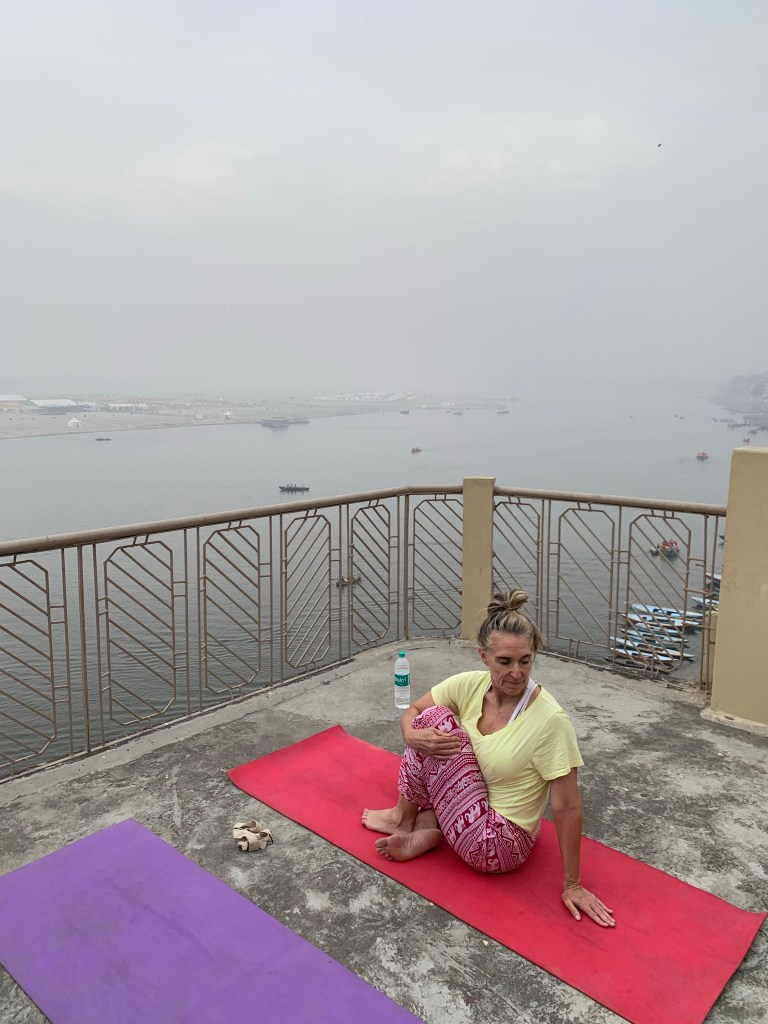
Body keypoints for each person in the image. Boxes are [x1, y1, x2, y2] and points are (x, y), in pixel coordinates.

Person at [362, 589, 615, 928]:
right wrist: (410, 734)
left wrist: (573, 884)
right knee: (427, 723)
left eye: (525, 661)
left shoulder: (550, 720)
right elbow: (413, 710)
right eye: (505, 662)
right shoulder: (470, 685)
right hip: (472, 811)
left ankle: (410, 820)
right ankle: (423, 824)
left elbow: (567, 806)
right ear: (484, 656)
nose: (516, 673)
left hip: (498, 844)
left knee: (435, 722)